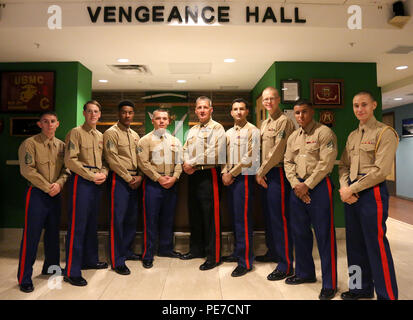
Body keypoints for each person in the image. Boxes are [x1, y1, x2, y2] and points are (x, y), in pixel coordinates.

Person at [339, 91, 399, 300]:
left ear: (374, 105)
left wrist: (352, 189)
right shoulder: (353, 135)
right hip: (350, 192)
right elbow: (343, 165)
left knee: (376, 246)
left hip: (371, 193)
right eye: (356, 105)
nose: (359, 109)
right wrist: (343, 187)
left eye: (364, 104)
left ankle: (386, 295)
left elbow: (381, 171)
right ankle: (358, 288)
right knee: (354, 245)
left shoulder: (385, 133)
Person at [284, 100, 338, 300]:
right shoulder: (292, 137)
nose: (300, 116)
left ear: (312, 112)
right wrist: (295, 185)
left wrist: (307, 184)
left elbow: (326, 163)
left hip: (319, 188)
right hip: (297, 188)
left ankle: (330, 283)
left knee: (325, 236)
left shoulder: (324, 133)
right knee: (300, 233)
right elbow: (287, 162)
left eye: (304, 112)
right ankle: (305, 273)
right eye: (297, 113)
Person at [17, 111, 69, 293]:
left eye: (52, 121)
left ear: (57, 124)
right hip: (37, 194)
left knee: (53, 234)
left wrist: (60, 184)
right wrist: (48, 187)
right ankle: (24, 277)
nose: (49, 124)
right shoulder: (30, 144)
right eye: (45, 122)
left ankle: (50, 266)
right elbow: (27, 170)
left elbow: (66, 169)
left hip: (55, 194)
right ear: (39, 124)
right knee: (31, 236)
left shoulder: (62, 146)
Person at [64, 100, 109, 286]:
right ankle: (72, 270)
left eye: (96, 111)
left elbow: (105, 160)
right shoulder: (75, 132)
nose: (92, 114)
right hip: (81, 181)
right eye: (89, 111)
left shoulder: (100, 135)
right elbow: (70, 160)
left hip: (97, 182)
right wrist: (91, 176)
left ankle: (90, 260)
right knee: (78, 225)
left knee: (92, 223)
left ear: (99, 114)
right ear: (84, 113)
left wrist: (104, 174)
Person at [180, 96, 226, 271]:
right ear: (195, 110)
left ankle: (213, 255)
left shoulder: (217, 128)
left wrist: (193, 163)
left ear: (211, 109)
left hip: (208, 174)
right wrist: (186, 163)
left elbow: (216, 152)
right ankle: (197, 249)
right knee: (195, 213)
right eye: (199, 107)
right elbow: (185, 149)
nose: (201, 110)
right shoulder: (192, 130)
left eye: (205, 107)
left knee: (210, 216)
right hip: (192, 175)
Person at [255, 87, 295, 281]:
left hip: (277, 173)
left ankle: (286, 263)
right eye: (265, 99)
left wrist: (260, 172)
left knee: (280, 219)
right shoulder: (265, 123)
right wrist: (260, 172)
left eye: (272, 98)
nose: (268, 102)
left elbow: (278, 151)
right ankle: (272, 251)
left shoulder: (284, 122)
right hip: (265, 175)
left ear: (278, 100)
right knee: (269, 218)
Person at [137, 108, 183, 269]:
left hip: (171, 182)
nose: (162, 121)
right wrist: (158, 178)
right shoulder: (145, 140)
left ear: (169, 121)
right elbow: (143, 163)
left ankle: (165, 249)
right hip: (153, 184)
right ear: (153, 121)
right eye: (158, 118)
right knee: (150, 220)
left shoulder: (175, 141)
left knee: (168, 218)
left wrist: (175, 177)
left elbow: (179, 161)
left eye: (164, 118)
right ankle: (148, 254)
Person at [103, 100, 143, 276]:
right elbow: (112, 159)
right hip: (120, 180)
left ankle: (126, 251)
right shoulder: (111, 133)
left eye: (130, 112)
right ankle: (117, 259)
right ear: (118, 113)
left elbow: (140, 157)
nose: (127, 115)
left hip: (135, 179)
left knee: (131, 219)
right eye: (124, 112)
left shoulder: (135, 134)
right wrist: (129, 178)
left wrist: (140, 176)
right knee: (117, 220)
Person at [221, 98, 260, 277]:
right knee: (235, 218)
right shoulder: (228, 133)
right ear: (231, 112)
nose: (238, 112)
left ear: (247, 112)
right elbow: (223, 155)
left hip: (243, 179)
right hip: (229, 179)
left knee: (243, 220)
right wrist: (224, 173)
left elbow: (250, 157)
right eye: (235, 109)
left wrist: (232, 173)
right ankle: (238, 252)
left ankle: (245, 261)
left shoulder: (253, 131)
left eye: (242, 109)